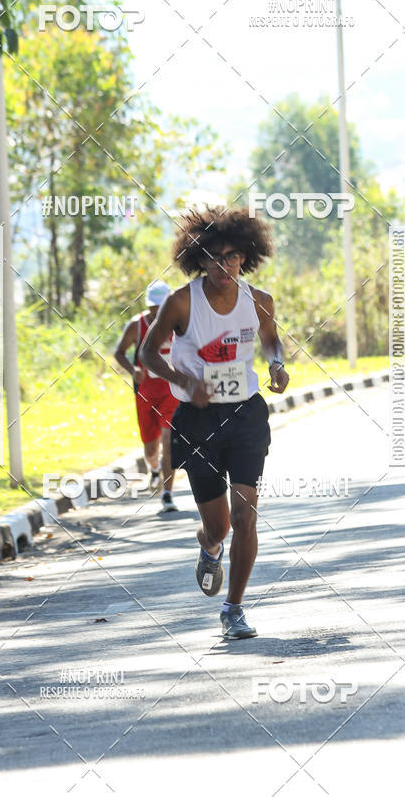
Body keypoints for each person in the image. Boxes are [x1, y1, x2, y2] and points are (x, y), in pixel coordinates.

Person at [140, 207, 289, 638]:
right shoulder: (181, 301)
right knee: (219, 526)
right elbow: (150, 354)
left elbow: (270, 339)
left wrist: (277, 365)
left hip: (245, 414)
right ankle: (209, 547)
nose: (225, 266)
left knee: (245, 517)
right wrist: (182, 378)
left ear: (246, 256)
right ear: (199, 259)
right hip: (198, 419)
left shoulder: (259, 300)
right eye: (215, 257)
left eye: (233, 256)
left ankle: (234, 608)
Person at [114, 279, 179, 512]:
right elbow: (119, 352)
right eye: (153, 306)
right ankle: (153, 468)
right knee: (151, 448)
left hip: (171, 392)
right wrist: (134, 370)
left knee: (168, 442)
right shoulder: (136, 325)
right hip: (145, 393)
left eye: (161, 306)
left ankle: (168, 493)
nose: (156, 311)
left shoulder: (179, 323)